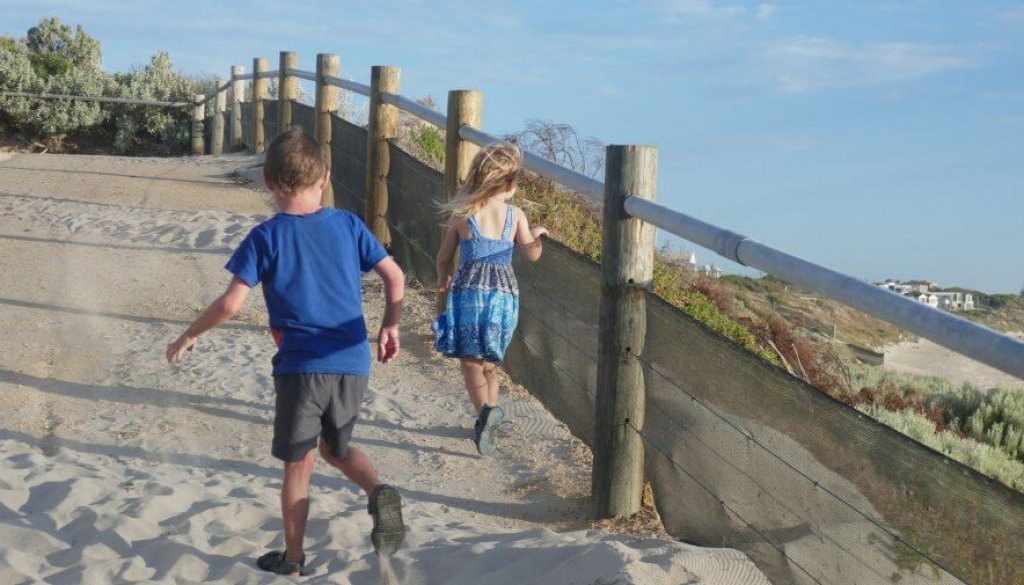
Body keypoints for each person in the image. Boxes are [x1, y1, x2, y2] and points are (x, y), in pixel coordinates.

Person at [165, 129, 406, 576]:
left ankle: (293, 560)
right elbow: (395, 277)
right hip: (353, 361)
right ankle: (378, 491)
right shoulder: (350, 225)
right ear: (325, 178)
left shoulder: (265, 237)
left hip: (302, 368)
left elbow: (230, 304)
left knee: (299, 464)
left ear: (266, 181)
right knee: (337, 448)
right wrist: (390, 323)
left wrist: (189, 334)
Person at [434, 143, 548, 455]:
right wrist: (536, 235)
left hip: (469, 293)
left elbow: (444, 257)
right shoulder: (516, 216)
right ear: (510, 183)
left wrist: (443, 277)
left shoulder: (463, 213)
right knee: (489, 363)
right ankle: (491, 416)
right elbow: (532, 255)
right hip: (503, 296)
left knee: (469, 362)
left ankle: (485, 415)